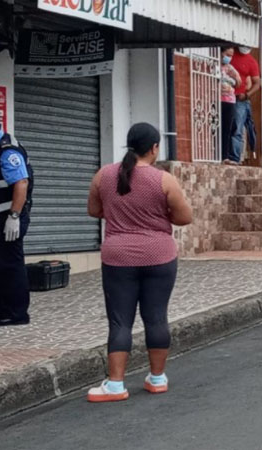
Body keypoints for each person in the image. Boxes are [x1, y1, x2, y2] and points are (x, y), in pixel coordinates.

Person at [85, 123, 192, 402]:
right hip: (159, 256)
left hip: (117, 257)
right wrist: (157, 217)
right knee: (156, 316)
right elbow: (184, 217)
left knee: (120, 321)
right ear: (154, 148)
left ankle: (116, 384)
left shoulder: (104, 175)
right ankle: (157, 379)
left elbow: (94, 210)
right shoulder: (164, 180)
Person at [0, 123, 33, 327]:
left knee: (10, 265)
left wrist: (14, 216)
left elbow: (21, 183)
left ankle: (16, 314)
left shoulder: (7, 151)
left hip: (10, 218)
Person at [229, 46, 261, 165]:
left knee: (238, 128)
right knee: (227, 127)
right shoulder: (230, 53)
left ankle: (234, 158)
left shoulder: (252, 62)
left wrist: (247, 95)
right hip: (225, 95)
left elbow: (257, 83)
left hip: (240, 99)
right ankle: (227, 155)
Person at [220, 46, 242, 165]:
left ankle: (226, 155)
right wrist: (229, 81)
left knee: (228, 129)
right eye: (227, 55)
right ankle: (219, 154)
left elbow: (238, 82)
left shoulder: (229, 67)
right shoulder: (215, 65)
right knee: (219, 128)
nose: (229, 58)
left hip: (230, 101)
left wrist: (230, 80)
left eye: (231, 56)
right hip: (218, 100)